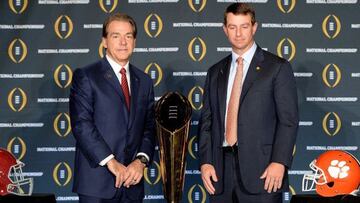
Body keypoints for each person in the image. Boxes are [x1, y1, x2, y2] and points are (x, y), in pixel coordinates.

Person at [198, 3, 299, 203]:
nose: (238, 33)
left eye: (244, 26)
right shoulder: (215, 72)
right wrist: (206, 162)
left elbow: (288, 121)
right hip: (220, 174)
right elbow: (207, 123)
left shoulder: (277, 68)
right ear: (225, 29)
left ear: (254, 27)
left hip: (263, 172)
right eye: (233, 27)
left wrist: (279, 162)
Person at [69, 13, 156, 203]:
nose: (123, 42)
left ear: (135, 41)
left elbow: (149, 128)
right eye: (116, 36)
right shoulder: (86, 76)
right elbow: (82, 125)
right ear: (104, 41)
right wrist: (112, 162)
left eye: (128, 36)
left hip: (132, 183)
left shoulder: (145, 81)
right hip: (97, 184)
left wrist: (140, 162)